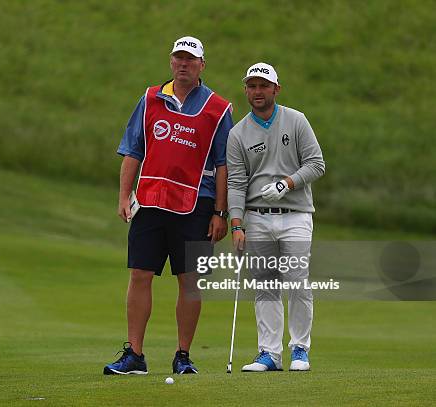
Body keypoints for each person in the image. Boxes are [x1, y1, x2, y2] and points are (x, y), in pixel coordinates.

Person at [103, 36, 234, 375]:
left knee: (189, 280)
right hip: (149, 201)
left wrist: (221, 212)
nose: (183, 64)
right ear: (171, 62)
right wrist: (123, 196)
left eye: (190, 59)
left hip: (198, 205)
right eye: (178, 58)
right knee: (140, 274)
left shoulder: (218, 109)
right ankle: (134, 354)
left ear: (202, 65)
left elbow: (223, 165)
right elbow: (134, 150)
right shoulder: (150, 99)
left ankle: (183, 355)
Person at [226, 62, 325, 372]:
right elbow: (236, 182)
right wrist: (237, 223)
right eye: (252, 86)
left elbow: (316, 164)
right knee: (266, 285)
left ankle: (299, 350)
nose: (257, 91)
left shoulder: (296, 121)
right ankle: (269, 354)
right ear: (246, 90)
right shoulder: (238, 132)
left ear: (275, 89)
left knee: (297, 281)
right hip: (256, 217)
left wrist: (286, 184)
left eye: (263, 86)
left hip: (295, 214)